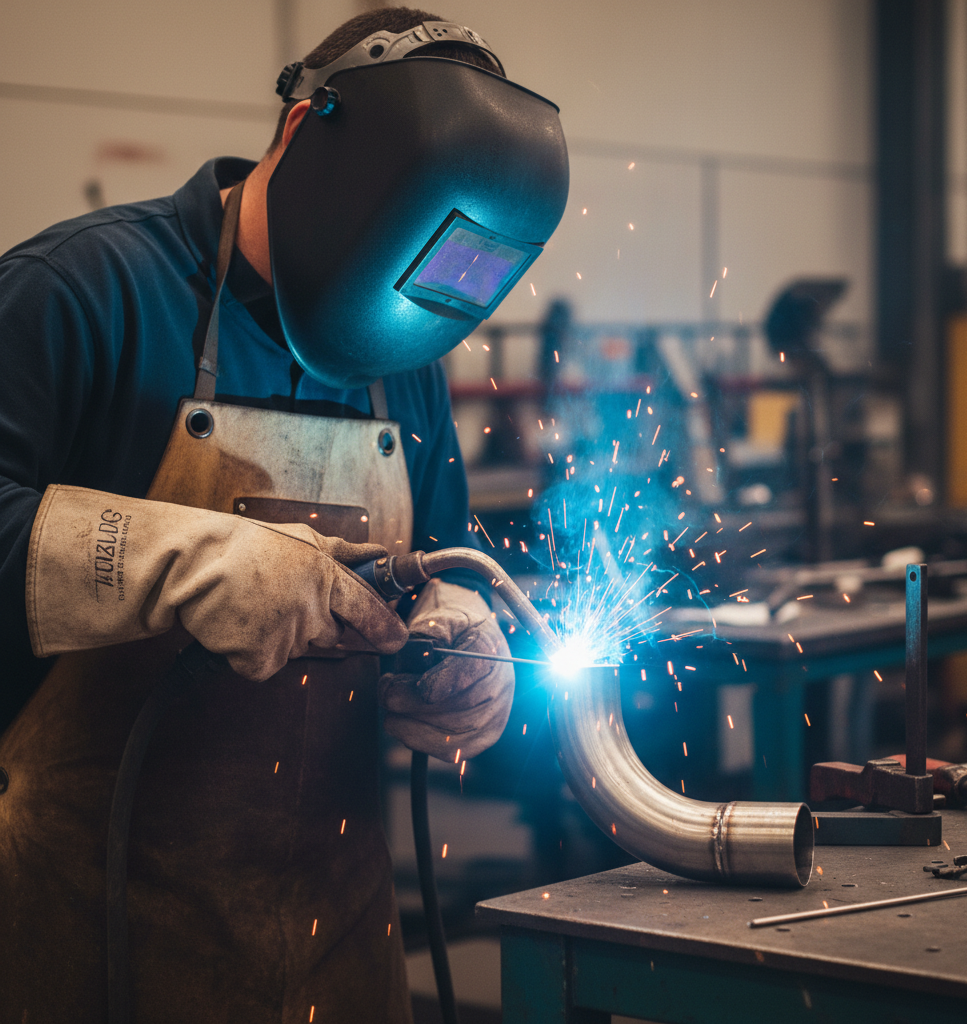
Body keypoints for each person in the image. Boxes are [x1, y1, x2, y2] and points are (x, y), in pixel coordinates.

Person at [0, 6, 568, 1021]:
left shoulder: (407, 367)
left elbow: (441, 559)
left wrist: (458, 647)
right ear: (307, 135)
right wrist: (171, 562)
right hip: (87, 947)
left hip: (336, 948)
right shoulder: (78, 294)